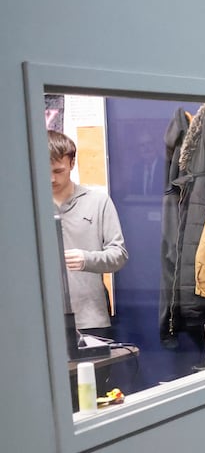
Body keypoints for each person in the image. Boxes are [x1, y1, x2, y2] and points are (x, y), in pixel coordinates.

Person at [49, 130, 128, 338]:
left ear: (72, 163)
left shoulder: (98, 201)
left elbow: (119, 255)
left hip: (91, 317)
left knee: (94, 371)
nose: (51, 178)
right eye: (45, 170)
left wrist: (87, 259)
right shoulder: (26, 205)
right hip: (42, 320)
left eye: (58, 171)